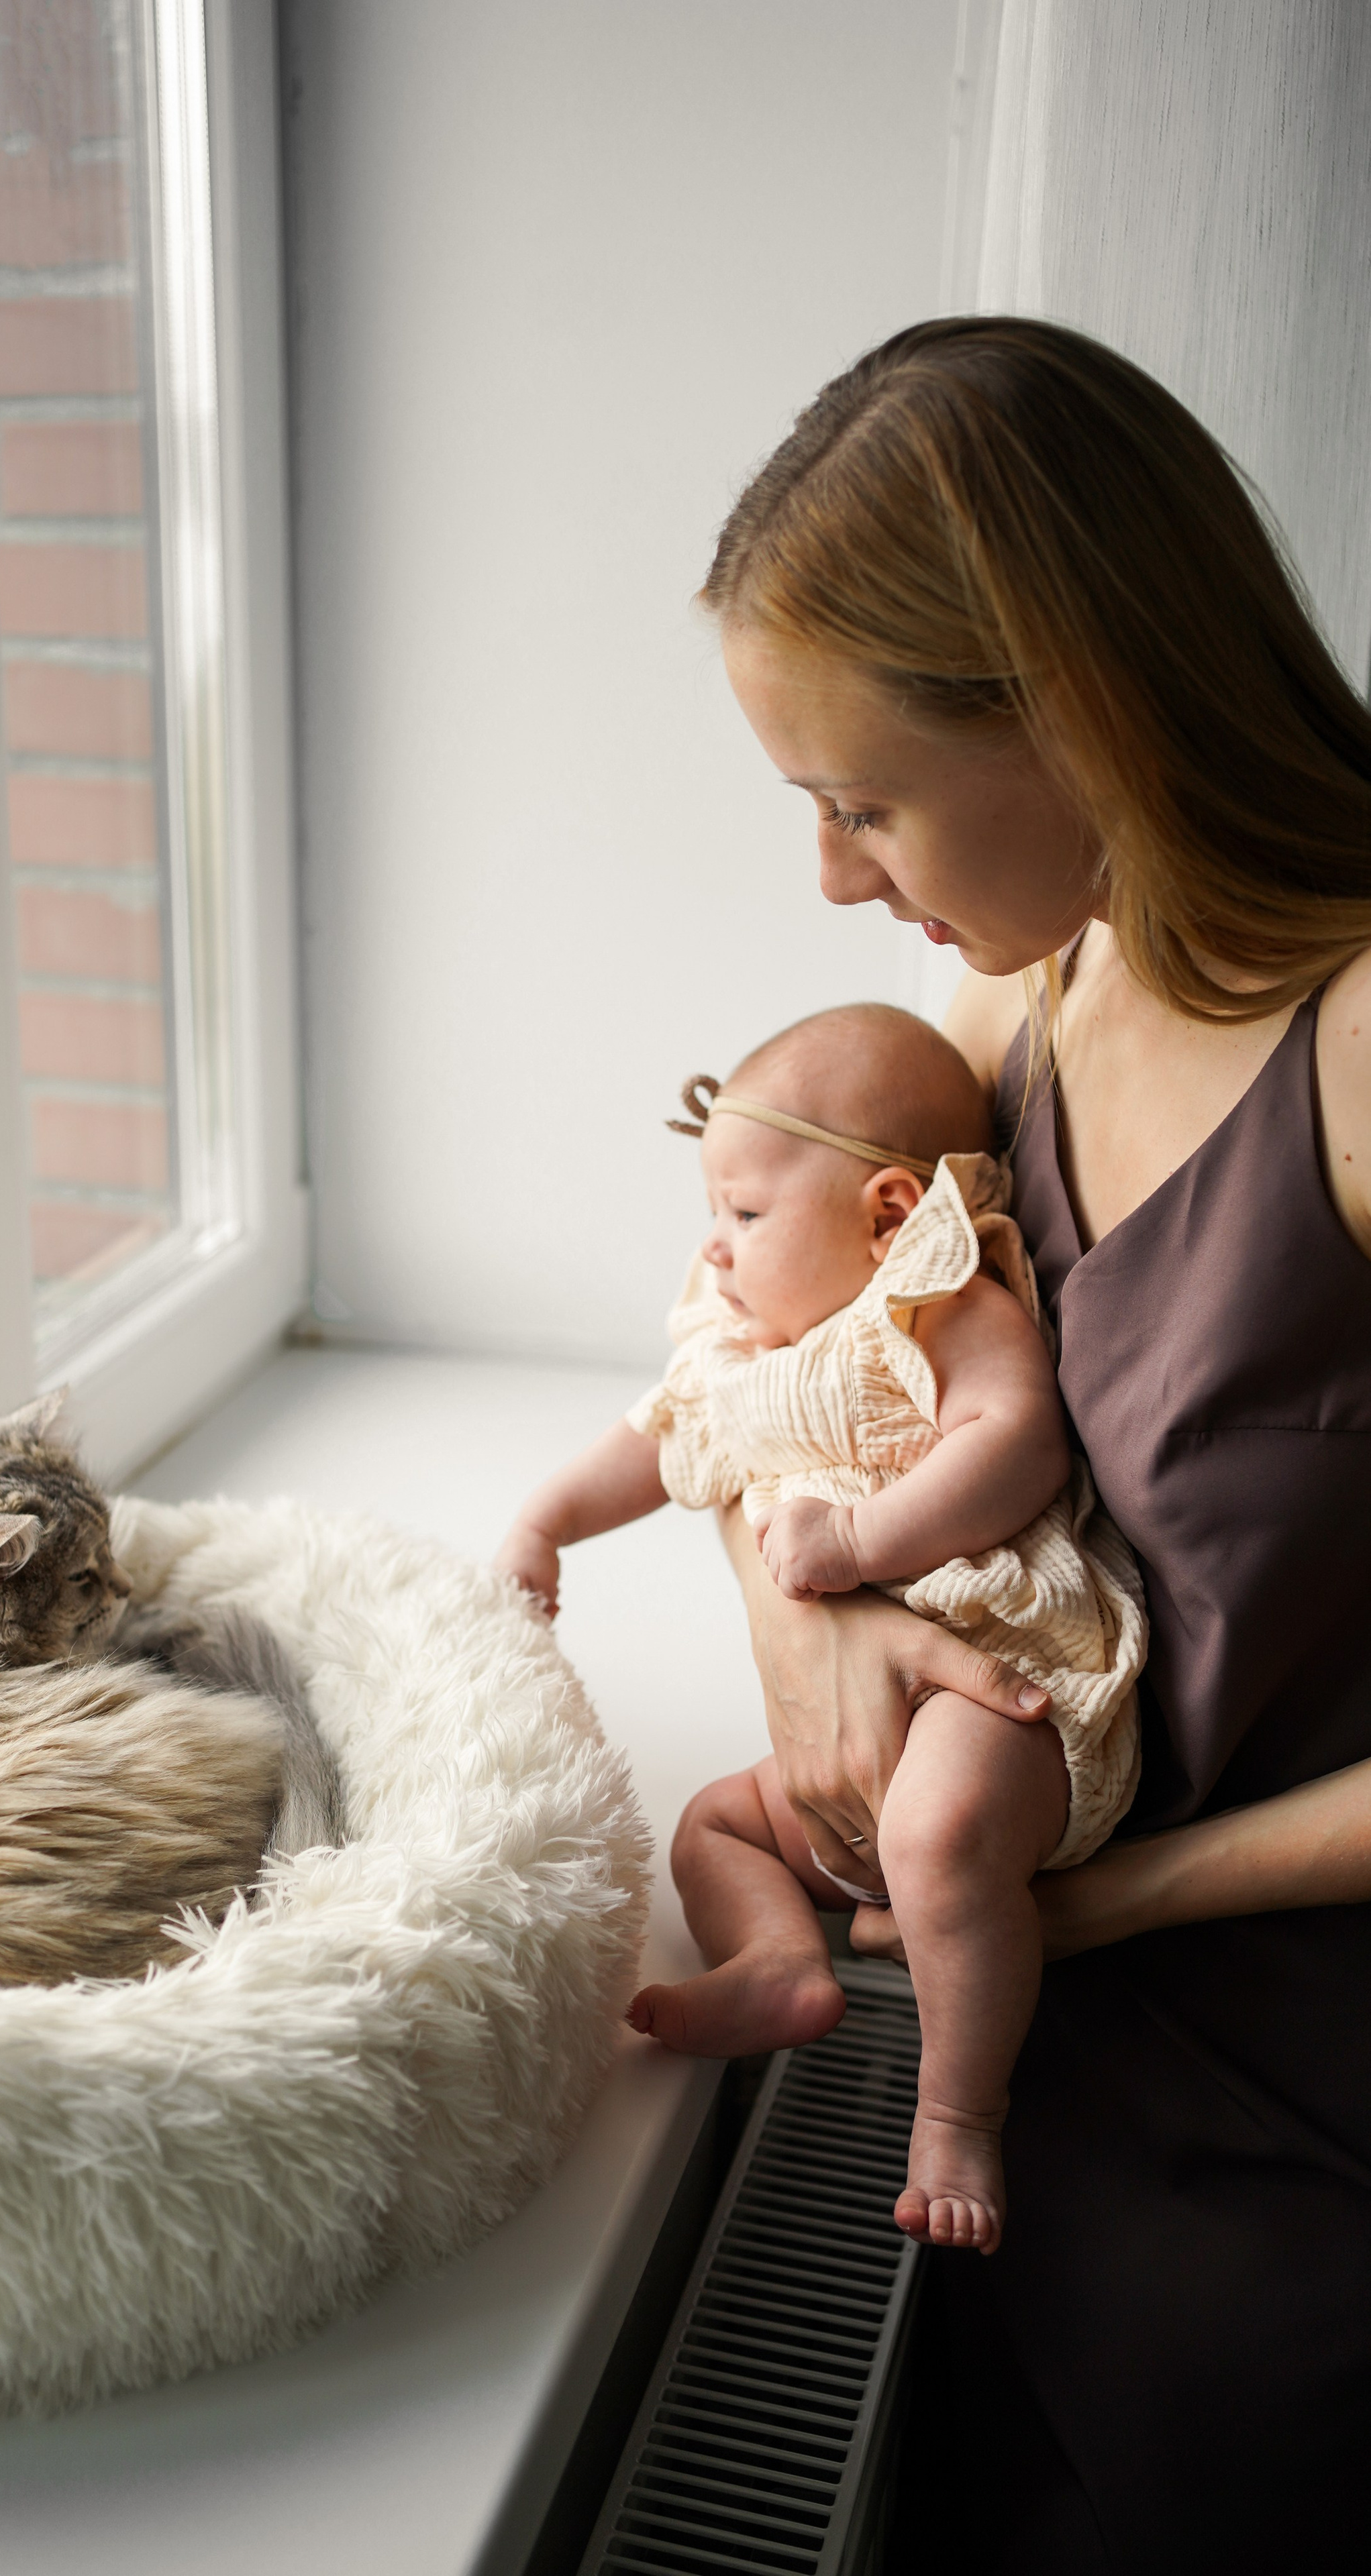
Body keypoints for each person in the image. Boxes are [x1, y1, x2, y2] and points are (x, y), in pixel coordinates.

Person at [689, 316, 1371, 2573]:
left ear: (1075, 699)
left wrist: (1102, 1901)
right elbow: (777, 1361)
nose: (832, 880)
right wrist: (824, 1637)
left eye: (862, 801)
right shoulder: (1033, 993)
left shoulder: (1357, 1054)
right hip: (1014, 2032)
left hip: (1279, 2129)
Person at [495, 1002, 1144, 2253]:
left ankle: (958, 2112)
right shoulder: (740, 1351)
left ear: (889, 1212)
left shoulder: (936, 1301)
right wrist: (544, 1525)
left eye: (745, 1214)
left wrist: (857, 1544)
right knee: (716, 1827)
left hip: (1004, 1688)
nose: (716, 1249)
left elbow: (1013, 1446)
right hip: (852, 1752)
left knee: (940, 1829)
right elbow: (658, 1439)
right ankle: (783, 1964)